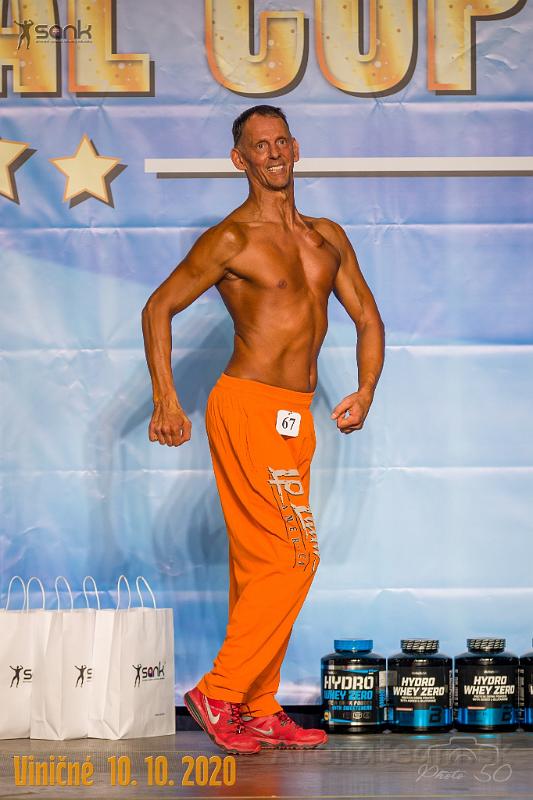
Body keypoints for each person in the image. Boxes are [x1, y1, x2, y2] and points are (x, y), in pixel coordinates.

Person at [141, 105, 385, 754]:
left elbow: (367, 318)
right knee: (295, 555)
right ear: (239, 159)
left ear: (295, 148)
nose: (273, 153)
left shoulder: (326, 237)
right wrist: (166, 400)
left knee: (262, 566)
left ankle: (256, 704)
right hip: (247, 406)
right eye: (259, 145)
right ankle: (219, 690)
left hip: (295, 417)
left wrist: (365, 389)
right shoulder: (231, 239)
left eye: (281, 141)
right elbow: (158, 307)